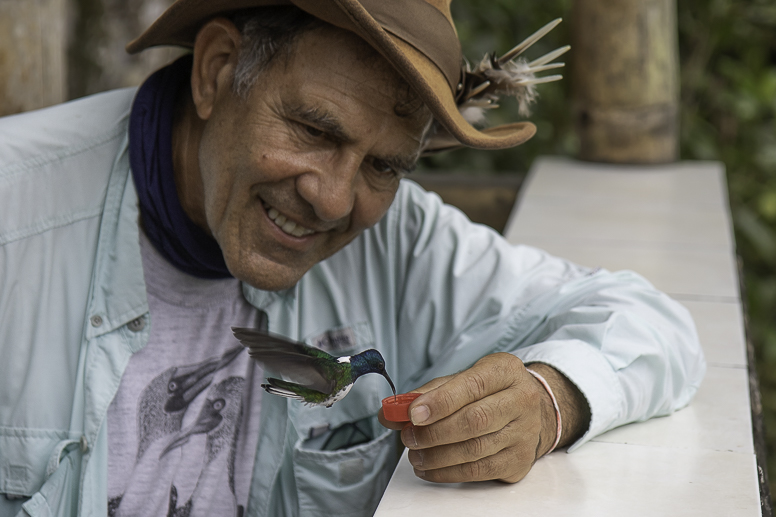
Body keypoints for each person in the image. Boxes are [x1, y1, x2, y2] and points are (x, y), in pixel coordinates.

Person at [0, 1, 705, 516]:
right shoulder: (15, 212)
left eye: (383, 166)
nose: (335, 199)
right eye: (313, 129)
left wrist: (549, 398)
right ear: (216, 72)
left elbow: (650, 324)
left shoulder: (400, 238)